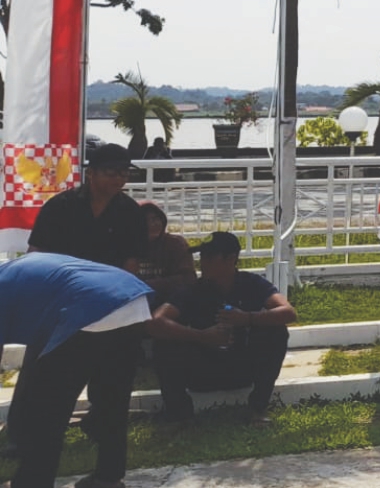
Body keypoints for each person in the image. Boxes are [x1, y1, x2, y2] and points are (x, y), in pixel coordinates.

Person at [0, 253, 152, 488]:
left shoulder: (5, 285)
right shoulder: (15, 272)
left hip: (86, 306)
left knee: (45, 409)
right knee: (112, 400)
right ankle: (108, 478)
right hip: (130, 301)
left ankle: (32, 482)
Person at [149, 232, 297, 423]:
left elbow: (288, 312)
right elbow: (156, 321)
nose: (203, 262)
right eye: (202, 256)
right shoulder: (192, 290)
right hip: (203, 368)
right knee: (164, 344)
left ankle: (258, 408)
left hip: (242, 365)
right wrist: (201, 336)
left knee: (276, 332)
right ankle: (179, 414)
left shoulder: (251, 284)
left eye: (210, 257)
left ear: (231, 259)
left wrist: (248, 318)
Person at [28, 141, 146, 272]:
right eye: (111, 171)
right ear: (90, 173)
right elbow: (36, 251)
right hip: (62, 278)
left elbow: (132, 261)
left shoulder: (131, 211)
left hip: (110, 280)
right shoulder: (59, 205)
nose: (118, 178)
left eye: (124, 172)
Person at [136, 201, 196, 296]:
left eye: (156, 219)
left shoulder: (176, 244)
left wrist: (149, 285)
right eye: (146, 221)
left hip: (171, 298)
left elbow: (188, 278)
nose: (153, 224)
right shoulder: (130, 246)